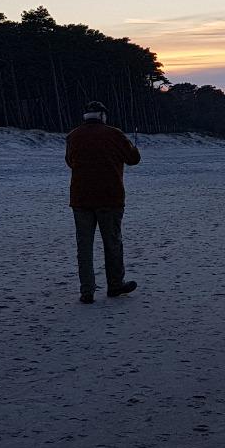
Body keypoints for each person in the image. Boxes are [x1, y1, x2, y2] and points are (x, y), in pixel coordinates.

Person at [66, 100, 141, 304]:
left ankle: (87, 291)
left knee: (84, 247)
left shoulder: (73, 135)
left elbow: (69, 161)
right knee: (112, 243)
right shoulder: (114, 134)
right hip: (110, 197)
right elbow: (133, 159)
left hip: (80, 199)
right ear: (102, 116)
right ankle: (115, 285)